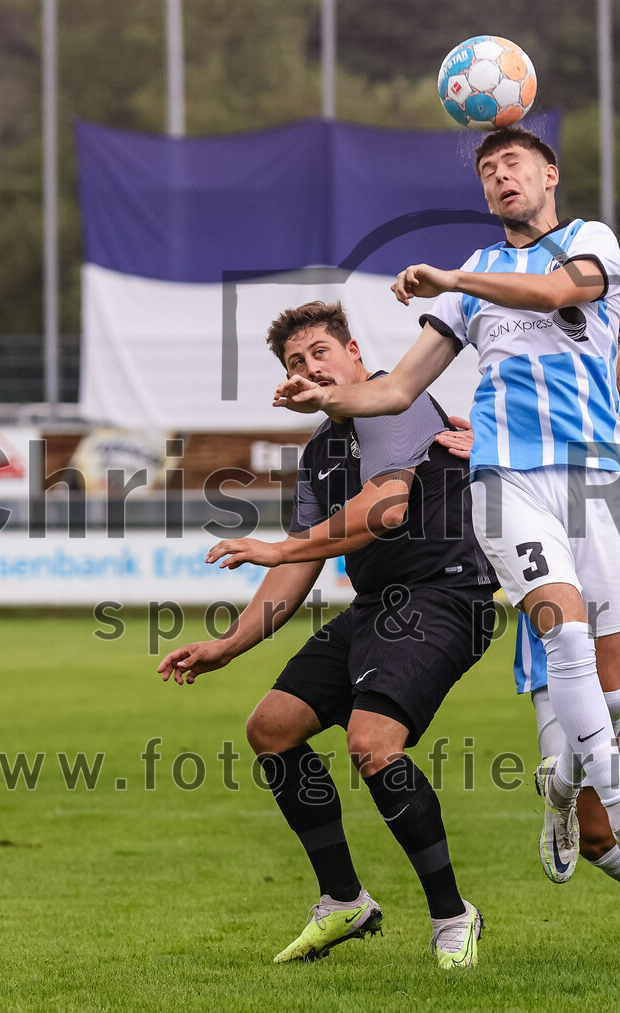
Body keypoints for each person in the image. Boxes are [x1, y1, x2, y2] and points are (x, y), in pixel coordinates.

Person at [274, 126, 620, 881]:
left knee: (615, 684)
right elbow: (397, 388)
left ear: (549, 174)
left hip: (599, 482)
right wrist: (327, 392)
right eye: (489, 171)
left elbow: (560, 291)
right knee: (563, 631)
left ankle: (563, 787)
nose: (501, 179)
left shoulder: (587, 242)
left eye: (514, 165)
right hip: (509, 480)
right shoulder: (475, 270)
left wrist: (455, 281)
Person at [157, 301, 498, 969]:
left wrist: (280, 550)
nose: (309, 366)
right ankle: (344, 898)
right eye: (294, 361)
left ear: (352, 353)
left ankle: (453, 915)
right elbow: (301, 566)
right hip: (380, 604)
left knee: (373, 742)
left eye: (320, 352)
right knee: (272, 727)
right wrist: (227, 646)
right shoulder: (319, 451)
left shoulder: (391, 403)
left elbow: (387, 505)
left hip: (446, 594)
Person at [437, 302, 620, 972]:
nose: (604, 348)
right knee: (597, 836)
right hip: (552, 636)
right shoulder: (529, 437)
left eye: (619, 337)